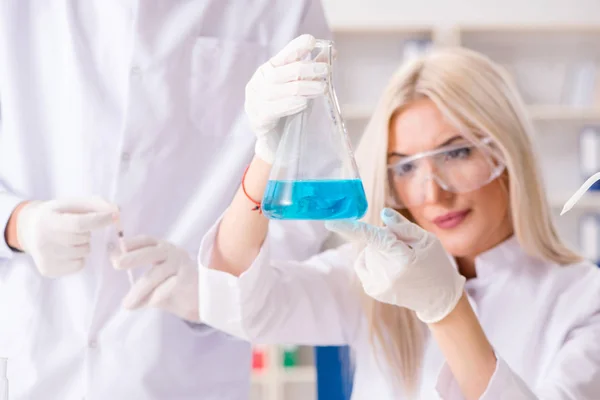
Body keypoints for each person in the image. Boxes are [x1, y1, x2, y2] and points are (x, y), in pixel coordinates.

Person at [196, 37, 600, 399]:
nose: (432, 193)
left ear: (508, 153)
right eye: (405, 167)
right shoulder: (370, 278)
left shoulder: (585, 300)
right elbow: (241, 308)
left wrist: (446, 309)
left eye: (457, 153)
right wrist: (269, 154)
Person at [0, 2, 331, 399]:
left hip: (189, 369)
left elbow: (316, 189)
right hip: (40, 361)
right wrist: (17, 223)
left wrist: (218, 286)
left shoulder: (284, 8)